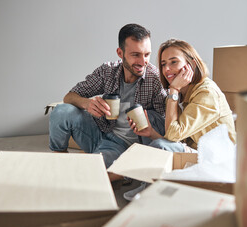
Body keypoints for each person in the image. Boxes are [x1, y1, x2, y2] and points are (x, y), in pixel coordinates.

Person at [49, 24, 167, 181]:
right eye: (135, 55)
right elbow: (69, 96)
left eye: (147, 54)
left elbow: (166, 125)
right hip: (100, 133)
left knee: (92, 173)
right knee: (61, 111)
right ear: (120, 53)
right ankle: (59, 160)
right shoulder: (107, 71)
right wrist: (87, 104)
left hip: (126, 148)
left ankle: (116, 168)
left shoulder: (155, 79)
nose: (142, 61)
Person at [124, 39, 236, 200]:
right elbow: (177, 137)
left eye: (173, 62)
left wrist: (174, 90)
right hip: (191, 147)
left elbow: (172, 136)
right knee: (152, 118)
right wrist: (151, 133)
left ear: (191, 64)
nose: (167, 69)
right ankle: (149, 180)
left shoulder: (206, 93)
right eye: (163, 64)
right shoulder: (185, 92)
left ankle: (151, 187)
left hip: (212, 156)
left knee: (162, 145)